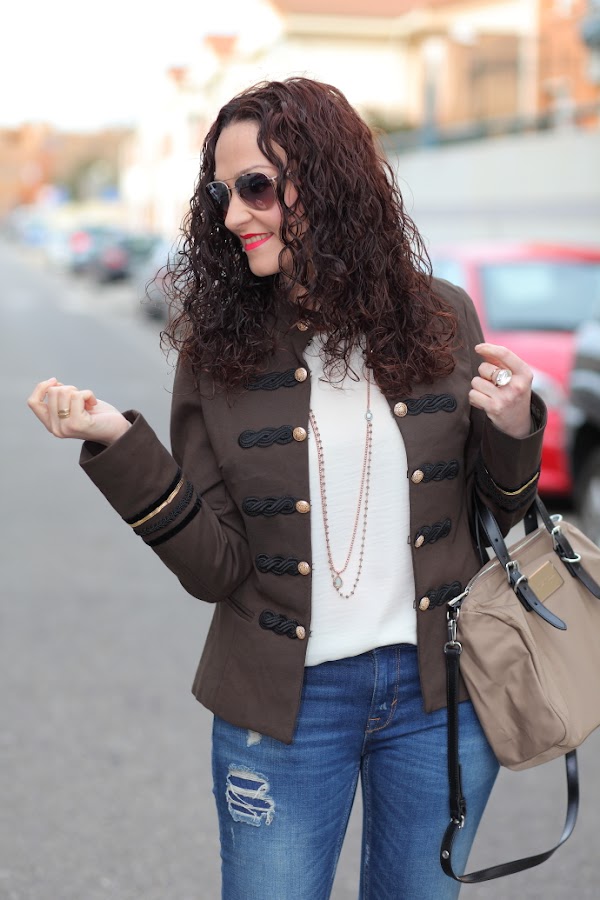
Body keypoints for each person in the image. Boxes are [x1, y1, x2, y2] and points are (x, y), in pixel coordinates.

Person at [28, 78, 545, 899]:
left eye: (257, 187)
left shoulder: (442, 318)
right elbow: (216, 569)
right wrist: (120, 445)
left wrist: (514, 427)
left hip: (439, 694)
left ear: (332, 184)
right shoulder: (217, 348)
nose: (235, 215)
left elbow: (498, 513)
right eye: (221, 194)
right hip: (284, 705)